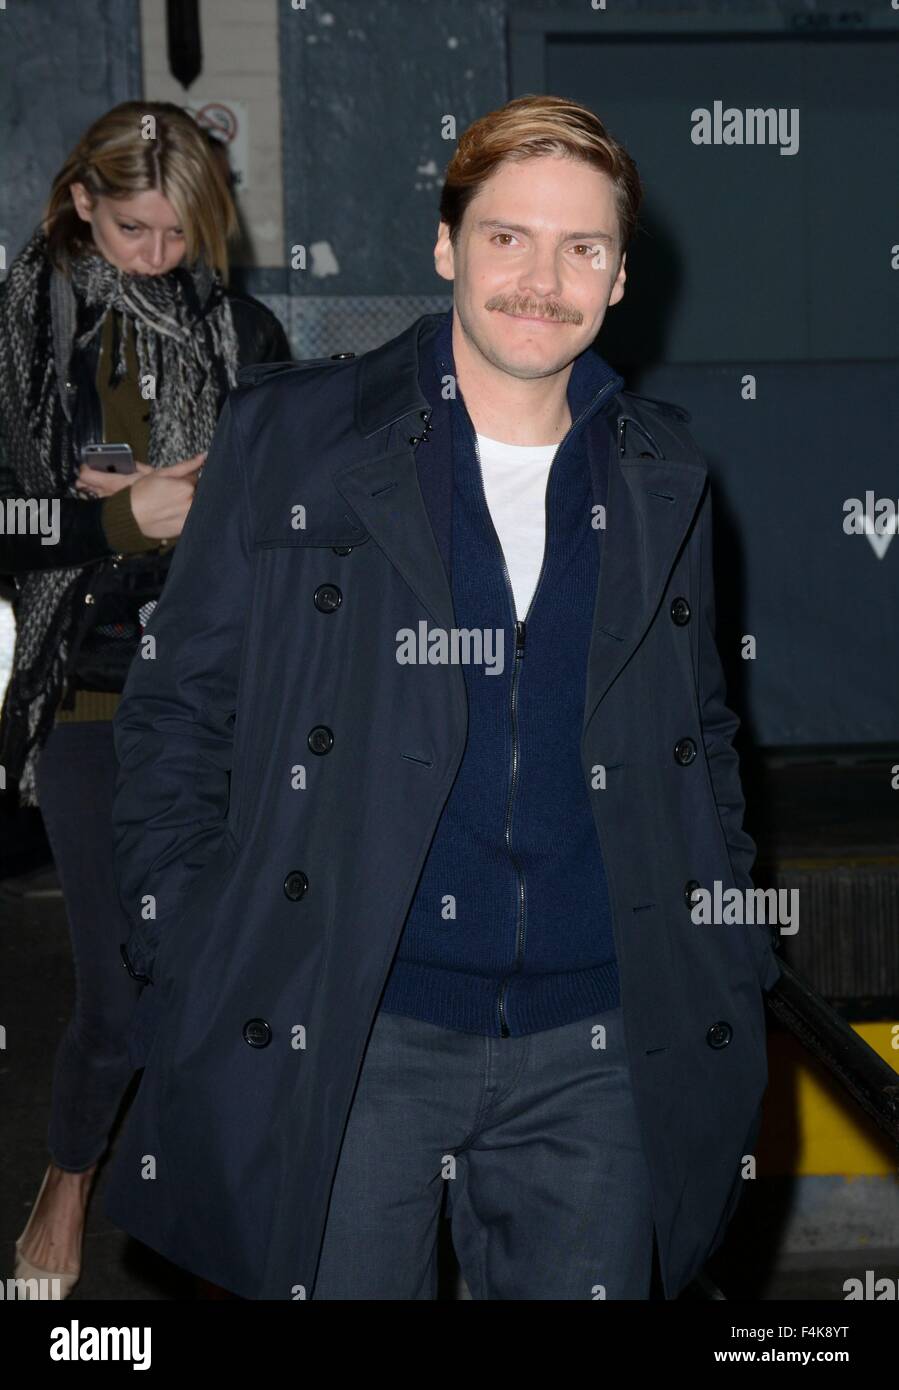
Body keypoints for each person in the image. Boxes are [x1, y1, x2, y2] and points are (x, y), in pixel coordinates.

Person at [101, 94, 781, 1300]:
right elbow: (175, 718)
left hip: (597, 1048)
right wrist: (195, 947)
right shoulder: (296, 441)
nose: (542, 278)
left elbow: (701, 741)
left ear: (621, 277)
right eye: (506, 236)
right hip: (348, 1031)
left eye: (583, 247)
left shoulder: (661, 470)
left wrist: (721, 941)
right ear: (443, 246)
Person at [0, 99, 290, 1298]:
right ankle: (67, 1182)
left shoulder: (247, 334)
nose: (159, 256)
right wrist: (113, 518)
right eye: (132, 229)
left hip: (226, 691)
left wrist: (219, 502)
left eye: (179, 233)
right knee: (119, 989)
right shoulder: (22, 337)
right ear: (80, 203)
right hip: (85, 692)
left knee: (226, 980)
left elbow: (295, 522)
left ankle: (219, 1217)